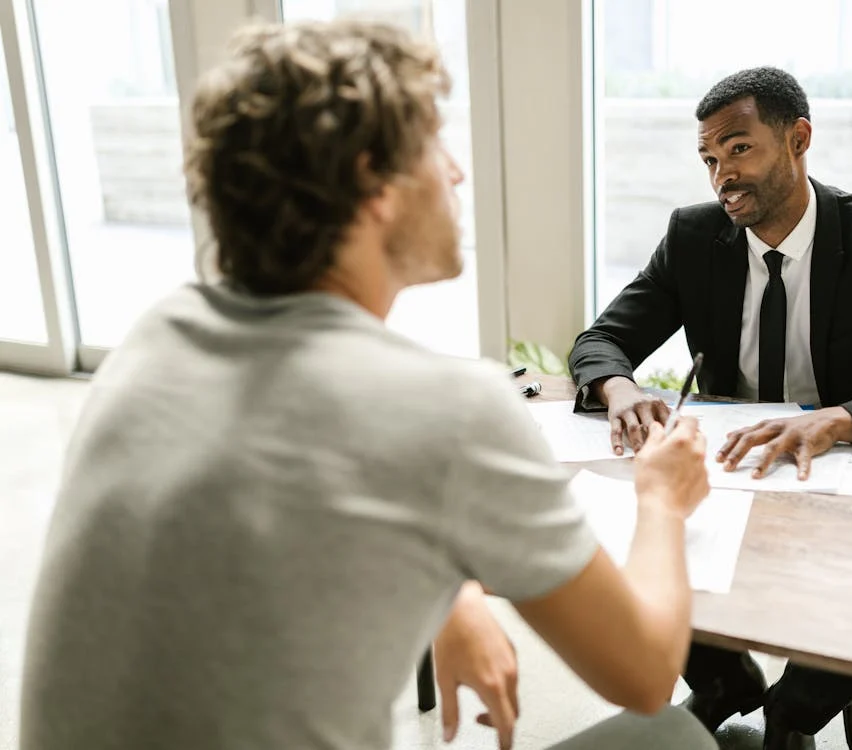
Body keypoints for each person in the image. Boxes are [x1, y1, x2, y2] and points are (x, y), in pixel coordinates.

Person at [19, 19, 720, 750]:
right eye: (433, 144)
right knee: (672, 736)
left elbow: (285, 500)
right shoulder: (448, 410)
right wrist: (660, 498)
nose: (455, 172)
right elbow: (643, 671)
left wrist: (455, 593)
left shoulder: (153, 338)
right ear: (370, 182)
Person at [568, 67, 852, 748]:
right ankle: (721, 683)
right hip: (730, 470)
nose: (722, 176)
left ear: (798, 138)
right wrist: (620, 387)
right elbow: (602, 340)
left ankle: (792, 716)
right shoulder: (694, 238)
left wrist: (841, 417)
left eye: (739, 148)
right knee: (622, 531)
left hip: (841, 479)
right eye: (709, 158)